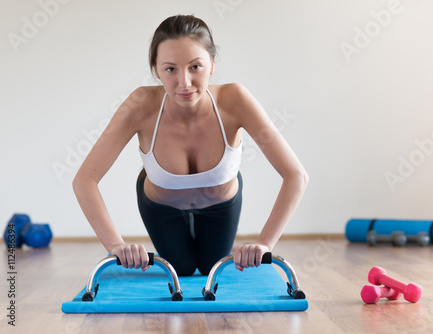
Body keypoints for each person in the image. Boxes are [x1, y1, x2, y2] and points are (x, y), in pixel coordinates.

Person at [72, 15, 308, 276]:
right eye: (170, 69)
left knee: (211, 269)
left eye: (195, 67)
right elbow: (84, 180)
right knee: (181, 269)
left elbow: (296, 175)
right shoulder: (140, 105)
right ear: (156, 70)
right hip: (162, 207)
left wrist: (264, 243)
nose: (184, 83)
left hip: (220, 205)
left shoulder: (235, 100)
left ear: (212, 64)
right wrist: (116, 245)